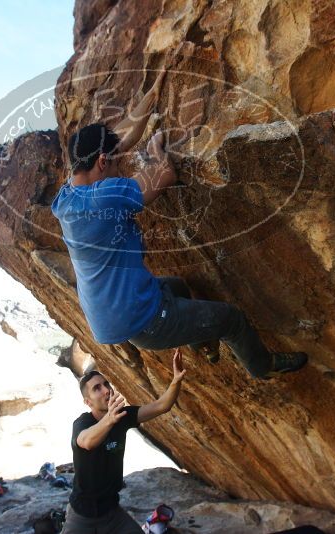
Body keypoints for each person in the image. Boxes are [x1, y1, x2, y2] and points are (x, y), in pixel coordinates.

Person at [51, 72, 308, 379]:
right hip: (143, 320)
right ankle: (263, 365)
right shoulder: (104, 197)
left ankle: (206, 345)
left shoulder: (67, 196)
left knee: (178, 286)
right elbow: (164, 176)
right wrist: (156, 151)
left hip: (112, 314)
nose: (121, 167)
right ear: (102, 162)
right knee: (231, 319)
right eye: (117, 164)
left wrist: (154, 90)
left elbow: (117, 141)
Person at [64, 349, 187, 533]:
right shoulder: (83, 423)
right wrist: (109, 420)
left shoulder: (122, 416)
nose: (106, 390)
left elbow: (162, 405)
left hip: (111, 513)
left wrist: (176, 380)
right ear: (88, 402)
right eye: (97, 388)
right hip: (82, 515)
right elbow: (87, 441)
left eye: (106, 384)